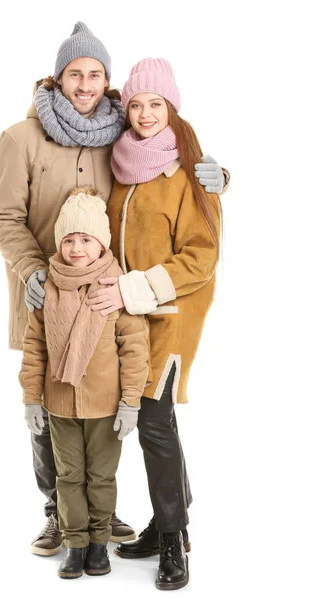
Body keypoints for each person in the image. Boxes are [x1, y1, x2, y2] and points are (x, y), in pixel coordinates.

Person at [0, 21, 229, 556]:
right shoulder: (29, 140)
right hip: (48, 294)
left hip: (130, 308)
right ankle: (60, 514)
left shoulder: (121, 141)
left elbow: (178, 182)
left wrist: (218, 173)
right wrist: (33, 273)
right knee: (51, 406)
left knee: (123, 412)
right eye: (75, 72)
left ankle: (135, 522)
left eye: (96, 74)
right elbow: (3, 217)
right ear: (58, 77)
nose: (86, 83)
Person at [86, 58, 222, 591]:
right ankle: (174, 521)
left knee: (152, 424)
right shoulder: (121, 166)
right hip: (123, 321)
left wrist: (133, 288)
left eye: (155, 104)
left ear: (172, 108)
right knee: (157, 425)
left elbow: (200, 258)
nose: (144, 114)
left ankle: (172, 539)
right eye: (136, 104)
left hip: (168, 320)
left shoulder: (190, 174)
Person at [19, 187, 149, 579]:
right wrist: (30, 399)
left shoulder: (117, 288)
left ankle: (98, 543)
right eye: (69, 239)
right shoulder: (47, 289)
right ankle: (75, 544)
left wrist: (130, 402)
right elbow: (34, 349)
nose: (77, 248)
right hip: (59, 404)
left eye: (86, 239)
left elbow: (135, 348)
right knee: (68, 476)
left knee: (101, 476)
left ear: (102, 243)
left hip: (105, 404)